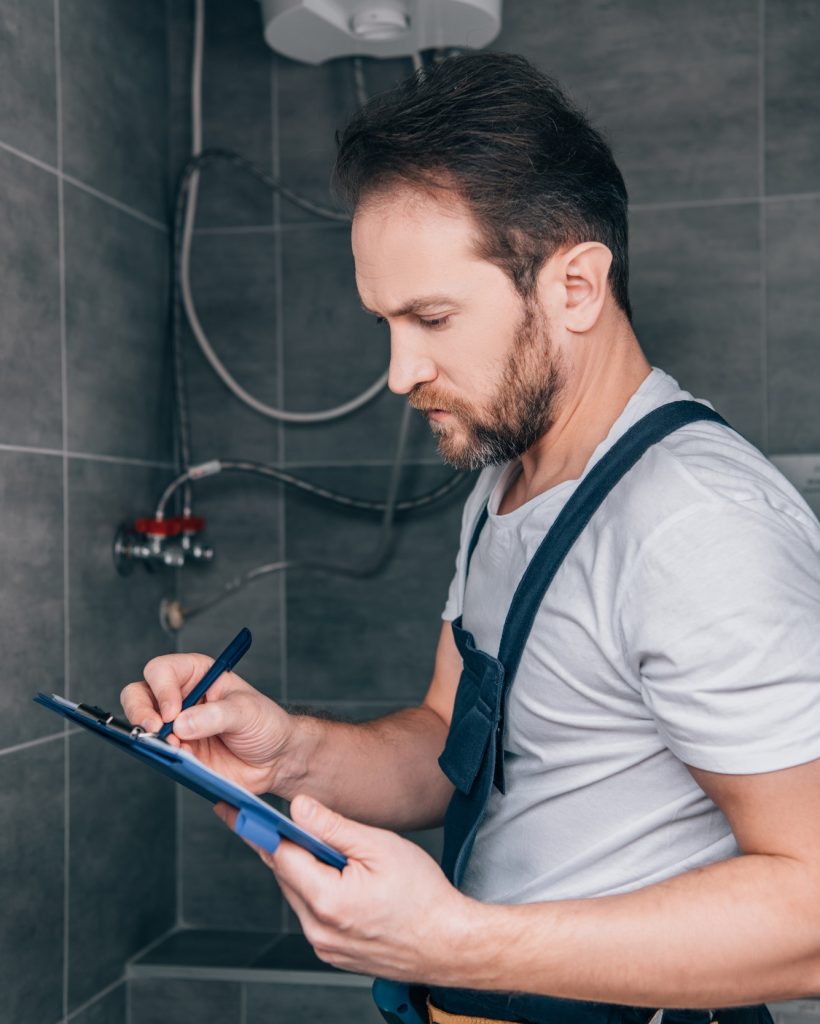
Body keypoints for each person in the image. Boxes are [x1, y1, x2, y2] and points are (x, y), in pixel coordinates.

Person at [122, 53, 820, 1024]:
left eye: (432, 317)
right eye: (385, 323)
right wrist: (289, 753)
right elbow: (450, 736)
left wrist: (453, 940)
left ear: (574, 286)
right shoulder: (504, 478)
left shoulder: (697, 526)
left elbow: (812, 912)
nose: (400, 371)